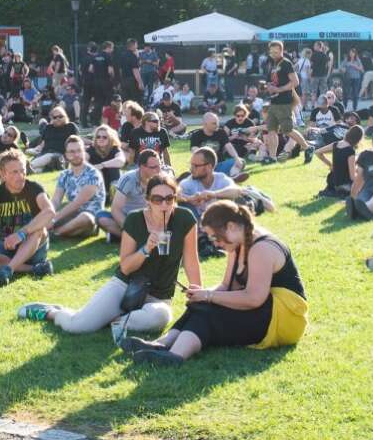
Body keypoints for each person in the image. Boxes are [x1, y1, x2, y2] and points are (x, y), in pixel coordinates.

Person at [19, 170, 202, 336]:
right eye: (157, 199)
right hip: (125, 285)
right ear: (147, 200)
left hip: (158, 296)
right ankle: (52, 312)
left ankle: (113, 319)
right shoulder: (135, 219)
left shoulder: (185, 219)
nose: (164, 204)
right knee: (77, 326)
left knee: (161, 317)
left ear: (175, 199)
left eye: (169, 198)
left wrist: (198, 297)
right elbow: (126, 267)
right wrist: (146, 249)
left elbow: (191, 261)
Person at [123, 200, 306, 365]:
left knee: (209, 313)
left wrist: (209, 296)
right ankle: (162, 344)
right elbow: (226, 287)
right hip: (265, 310)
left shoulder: (262, 248)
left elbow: (254, 298)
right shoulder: (238, 243)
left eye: (215, 237)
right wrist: (202, 294)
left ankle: (175, 355)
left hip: (283, 319)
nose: (216, 244)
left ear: (231, 226)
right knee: (200, 305)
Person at [0, 150, 55, 286]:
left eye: (22, 171)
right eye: (14, 172)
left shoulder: (34, 189)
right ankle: (34, 269)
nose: (20, 176)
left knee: (40, 230)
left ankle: (8, 269)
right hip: (4, 247)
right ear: (3, 174)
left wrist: (21, 234)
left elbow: (50, 212)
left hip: (31, 247)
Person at [99, 149, 166, 240]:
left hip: (151, 218)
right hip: (128, 218)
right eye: (154, 167)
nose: (159, 170)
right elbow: (116, 209)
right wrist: (130, 229)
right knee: (101, 217)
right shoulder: (128, 179)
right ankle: (140, 237)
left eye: (160, 165)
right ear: (142, 167)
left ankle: (122, 237)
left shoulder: (163, 179)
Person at [49, 135, 105, 238]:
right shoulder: (64, 175)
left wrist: (54, 220)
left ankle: (55, 233)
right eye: (72, 152)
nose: (76, 154)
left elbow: (77, 203)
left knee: (85, 218)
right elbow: (56, 200)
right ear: (66, 155)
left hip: (90, 218)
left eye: (79, 150)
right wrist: (49, 215)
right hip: (73, 214)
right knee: (46, 214)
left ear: (84, 152)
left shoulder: (93, 174)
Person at [178, 147, 247, 217]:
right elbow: (174, 195)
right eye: (191, 165)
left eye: (196, 166)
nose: (191, 169)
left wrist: (213, 194)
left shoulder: (220, 178)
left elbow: (237, 191)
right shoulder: (189, 182)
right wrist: (189, 199)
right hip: (198, 220)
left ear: (209, 166)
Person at [261, 40, 298, 160]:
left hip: (284, 101)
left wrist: (279, 89)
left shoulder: (286, 63)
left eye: (276, 52)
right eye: (271, 52)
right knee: (271, 130)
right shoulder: (272, 64)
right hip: (273, 102)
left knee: (287, 130)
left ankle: (307, 147)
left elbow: (295, 82)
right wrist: (267, 87)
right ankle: (272, 158)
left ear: (281, 51)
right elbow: (270, 81)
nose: (273, 55)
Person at [188, 111, 245, 177]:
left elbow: (229, 146)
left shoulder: (221, 132)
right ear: (205, 124)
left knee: (241, 161)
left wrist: (236, 158)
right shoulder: (196, 135)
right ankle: (219, 177)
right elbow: (194, 150)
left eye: (217, 122)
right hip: (204, 167)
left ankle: (233, 177)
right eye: (214, 123)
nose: (217, 125)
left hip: (219, 165)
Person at [313, 123, 362, 199]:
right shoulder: (350, 151)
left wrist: (330, 164)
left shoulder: (335, 144)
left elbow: (317, 152)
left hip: (332, 182)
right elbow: (352, 176)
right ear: (358, 139)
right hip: (344, 185)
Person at [28, 106, 78, 171]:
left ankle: (26, 167)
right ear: (52, 119)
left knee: (48, 156)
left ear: (65, 116)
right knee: (38, 169)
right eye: (55, 117)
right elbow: (43, 144)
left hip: (60, 157)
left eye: (60, 116)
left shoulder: (70, 126)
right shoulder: (48, 128)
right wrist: (36, 149)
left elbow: (77, 141)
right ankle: (29, 170)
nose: (58, 119)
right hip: (44, 154)